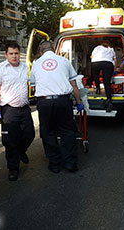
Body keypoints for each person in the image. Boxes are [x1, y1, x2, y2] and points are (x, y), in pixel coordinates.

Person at [30, 41, 84, 174]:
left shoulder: (36, 64)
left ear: (41, 52)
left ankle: (54, 163)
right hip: (62, 101)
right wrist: (79, 102)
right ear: (54, 50)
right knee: (67, 131)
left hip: (45, 102)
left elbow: (33, 85)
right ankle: (70, 163)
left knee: (48, 132)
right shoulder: (64, 61)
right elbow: (74, 85)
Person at [0, 42, 35, 181]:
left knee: (30, 134)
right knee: (10, 141)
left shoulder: (25, 67)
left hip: (24, 108)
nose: (14, 56)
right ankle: (13, 168)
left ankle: (21, 151)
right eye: (11, 54)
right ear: (6, 55)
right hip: (9, 110)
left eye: (16, 53)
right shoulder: (0, 69)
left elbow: (32, 84)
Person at [91, 40, 117, 112]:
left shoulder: (97, 48)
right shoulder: (111, 49)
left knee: (96, 75)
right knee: (106, 82)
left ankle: (98, 89)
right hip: (107, 63)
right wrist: (114, 69)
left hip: (96, 62)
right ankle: (109, 100)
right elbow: (115, 60)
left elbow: (92, 56)